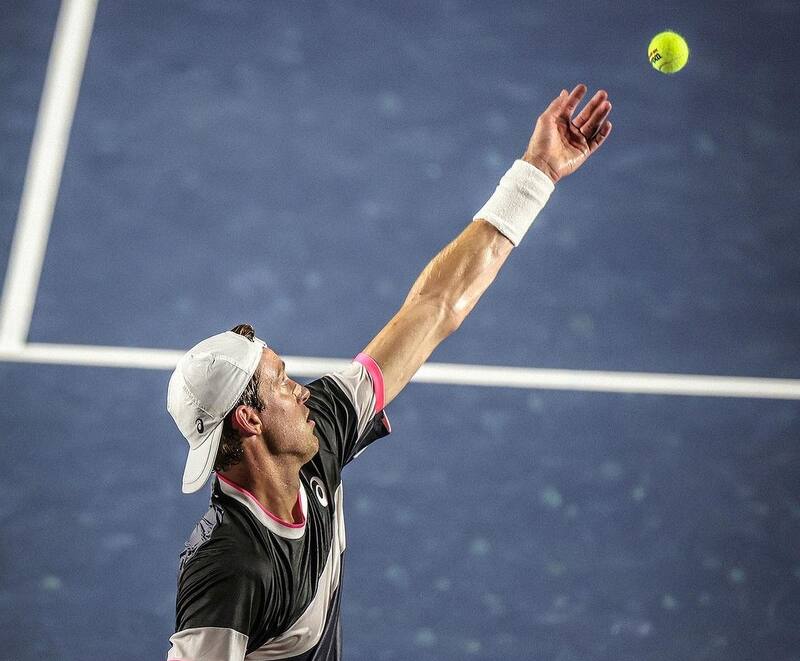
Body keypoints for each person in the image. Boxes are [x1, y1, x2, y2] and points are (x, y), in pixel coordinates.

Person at [165, 83, 613, 660]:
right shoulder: (231, 568)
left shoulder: (320, 428)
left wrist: (537, 174)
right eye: (281, 382)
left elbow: (432, 310)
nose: (302, 391)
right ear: (249, 419)